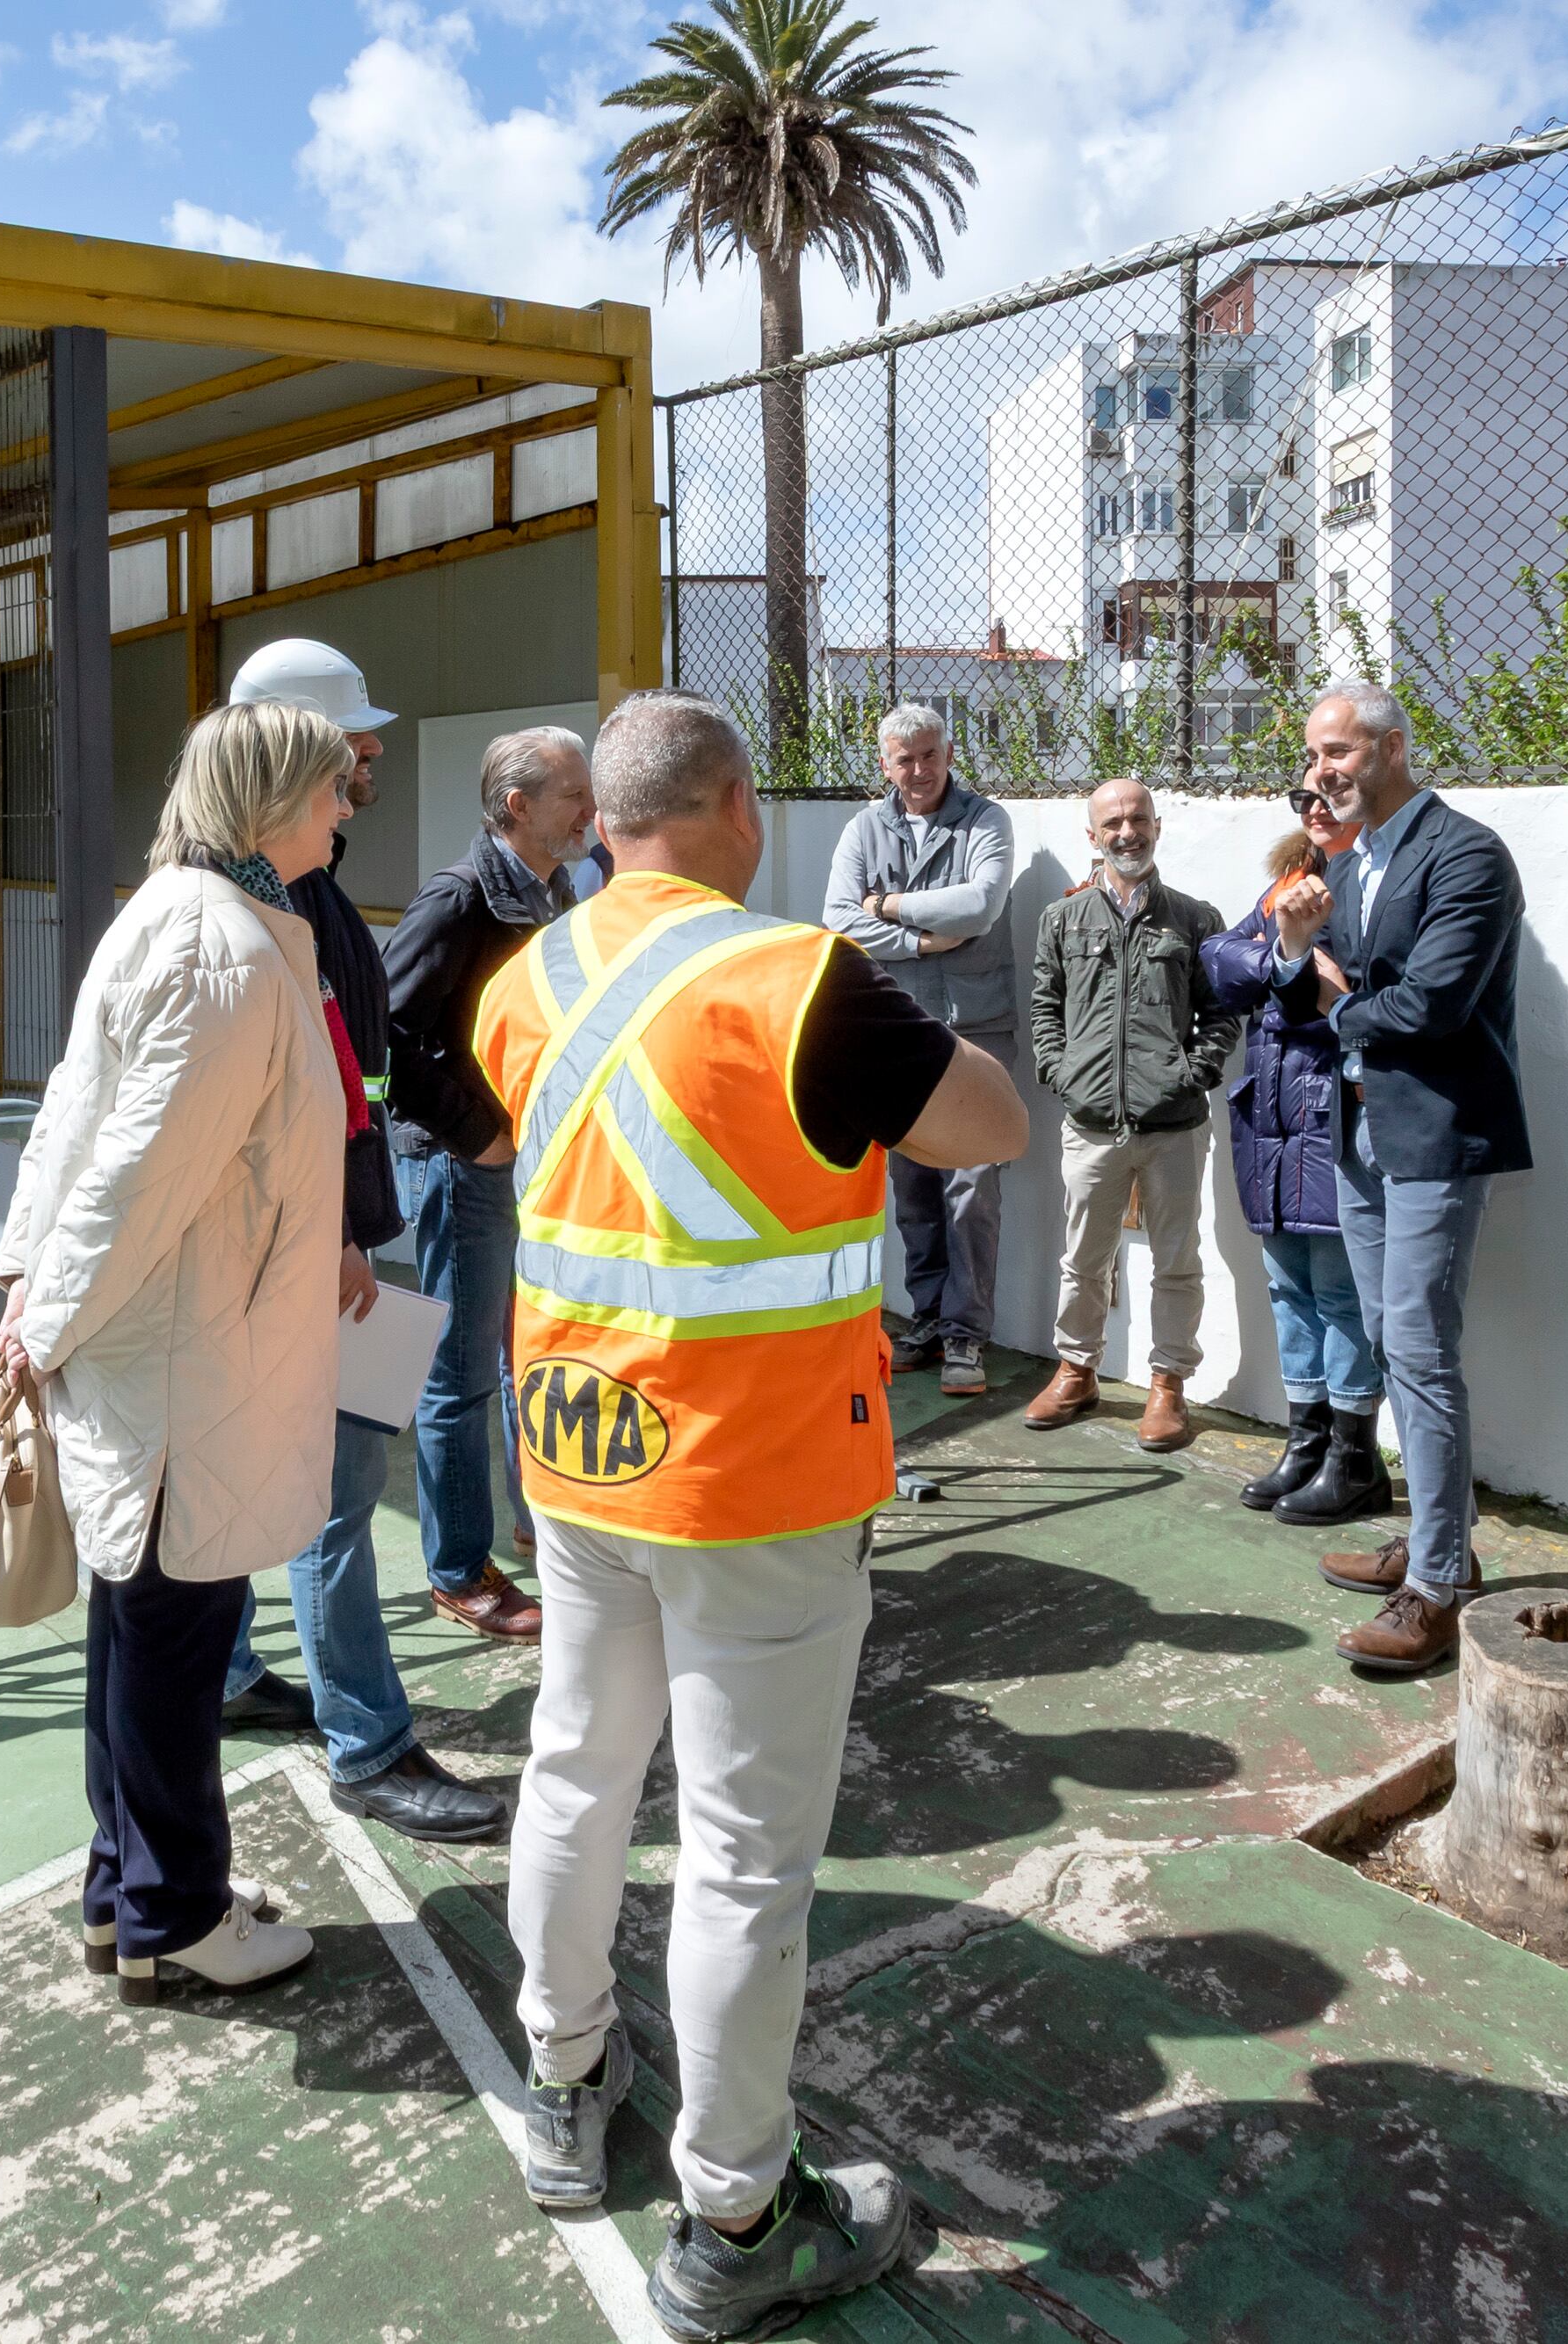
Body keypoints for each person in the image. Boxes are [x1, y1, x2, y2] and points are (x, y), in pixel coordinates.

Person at [483, 690, 1025, 2338]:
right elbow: (991, 1123)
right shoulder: (799, 977)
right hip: (753, 1480)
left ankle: (563, 2076)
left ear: (603, 825)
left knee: (577, 1765)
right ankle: (737, 2210)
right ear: (738, 808)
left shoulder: (528, 980)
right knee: (740, 1854)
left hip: (578, 1448)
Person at [0, 699, 352, 2002]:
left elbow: (74, 1127)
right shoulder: (227, 952)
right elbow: (136, 1175)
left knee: (138, 1633)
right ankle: (176, 1912)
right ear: (270, 799)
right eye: (329, 786)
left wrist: (30, 1285)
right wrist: (42, 1314)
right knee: (172, 1645)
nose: (344, 808)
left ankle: (125, 1896)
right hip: (187, 1367)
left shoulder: (189, 918)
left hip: (169, 1353)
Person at [216, 636, 507, 1843]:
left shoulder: (301, 887)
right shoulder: (257, 903)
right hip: (300, 1252)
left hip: (321, 1240)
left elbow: (360, 1063)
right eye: (352, 747)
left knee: (275, 1483)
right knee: (337, 1498)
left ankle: (230, 1672)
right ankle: (369, 1745)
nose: (370, 761)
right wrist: (336, 1228)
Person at [1268, 681, 1532, 1675]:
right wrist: (1298, 946)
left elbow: (1433, 1005)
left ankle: (1439, 1589)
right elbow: (1308, 985)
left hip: (1432, 1136)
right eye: (1312, 757)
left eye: (1336, 752)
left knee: (1419, 1350)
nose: (1320, 772)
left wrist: (1337, 1006)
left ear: (1390, 748)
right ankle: (1435, 1541)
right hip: (1362, 1135)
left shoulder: (1466, 853)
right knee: (1389, 1342)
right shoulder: (1354, 860)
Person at [384, 727, 592, 1633]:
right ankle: (459, 1571)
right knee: (459, 1377)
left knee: (524, 1360)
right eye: (573, 795)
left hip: (523, 1163)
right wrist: (475, 1136)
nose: (590, 811)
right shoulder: (459, 897)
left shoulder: (556, 889)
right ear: (517, 805)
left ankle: (536, 1523)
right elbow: (383, 1034)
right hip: (463, 1170)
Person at [1022, 775, 1239, 1450]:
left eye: (1138, 818)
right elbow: (1045, 1009)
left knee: (1177, 1260)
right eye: (1113, 822)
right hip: (1091, 1125)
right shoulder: (1063, 920)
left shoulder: (1194, 919)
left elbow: (1221, 1012)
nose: (1127, 832)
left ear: (1156, 825)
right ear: (1092, 835)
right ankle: (1076, 1370)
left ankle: (1168, 1383)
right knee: (1084, 1259)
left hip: (1174, 1126)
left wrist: (1192, 1075)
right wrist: (1063, 1075)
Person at [1201, 787, 1391, 1522]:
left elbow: (1364, 997)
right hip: (1275, 1108)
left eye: (1329, 794)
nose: (1315, 806)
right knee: (1288, 1287)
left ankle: (1353, 1456)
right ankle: (1305, 1444)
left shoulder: (1373, 879)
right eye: (1302, 794)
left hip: (1334, 1106)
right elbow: (1220, 963)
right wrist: (1290, 956)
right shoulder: (1291, 880)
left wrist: (1294, 967)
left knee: (1342, 1292)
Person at [823, 704, 1016, 1397]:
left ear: (949, 754)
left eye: (929, 754)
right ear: (885, 764)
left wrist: (888, 907)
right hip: (899, 1027)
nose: (918, 769)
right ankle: (929, 1317)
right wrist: (921, 941)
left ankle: (967, 1335)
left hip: (974, 1026)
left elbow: (981, 905)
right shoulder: (863, 827)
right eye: (904, 759)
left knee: (971, 1189)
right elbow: (836, 919)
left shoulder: (986, 821)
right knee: (911, 1185)